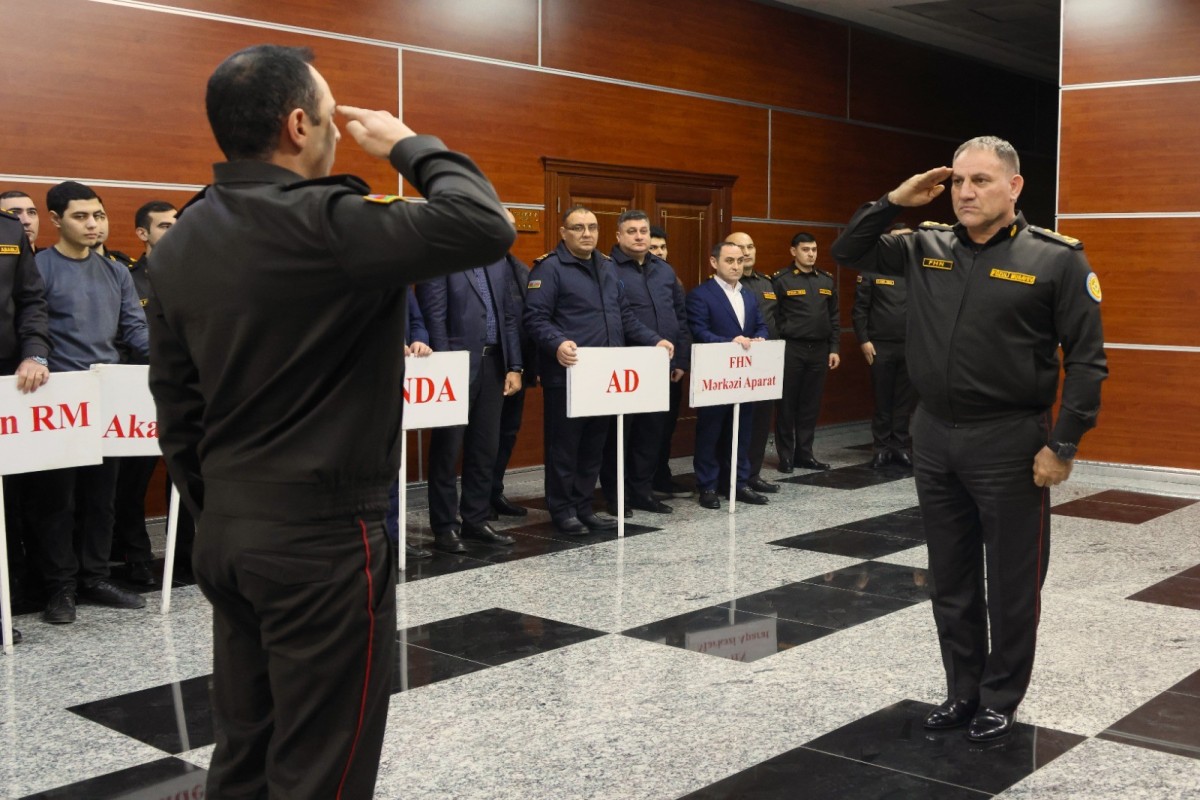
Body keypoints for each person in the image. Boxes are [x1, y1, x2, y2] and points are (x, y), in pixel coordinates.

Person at [147, 44, 514, 798]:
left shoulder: (183, 237)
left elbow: (175, 401)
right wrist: (409, 145)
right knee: (325, 763)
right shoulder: (329, 224)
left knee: (247, 745)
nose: (342, 130)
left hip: (228, 526)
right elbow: (485, 224)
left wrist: (225, 503)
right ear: (296, 125)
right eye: (330, 113)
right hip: (320, 538)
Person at [830, 135, 1107, 742]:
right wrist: (893, 200)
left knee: (1012, 580)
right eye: (957, 181)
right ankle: (961, 690)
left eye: (980, 180)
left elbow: (1087, 362)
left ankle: (1000, 697)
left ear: (1014, 187)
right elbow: (848, 250)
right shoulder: (923, 245)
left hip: (1010, 440)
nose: (965, 192)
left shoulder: (1056, 259)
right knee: (950, 576)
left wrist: (1063, 444)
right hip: (933, 435)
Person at [30, 180, 149, 624]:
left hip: (106, 396)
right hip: (56, 399)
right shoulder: (39, 266)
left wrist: (170, 359)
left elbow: (134, 330)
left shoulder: (117, 270)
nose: (93, 224)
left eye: (98, 215)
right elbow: (32, 323)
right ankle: (59, 588)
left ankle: (95, 577)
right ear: (57, 220)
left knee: (103, 497)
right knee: (58, 500)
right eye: (81, 216)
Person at [524, 206, 674, 535]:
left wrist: (655, 340)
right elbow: (535, 318)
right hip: (568, 373)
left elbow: (625, 317)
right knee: (565, 447)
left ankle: (583, 505)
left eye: (592, 227)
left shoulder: (606, 268)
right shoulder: (550, 269)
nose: (587, 233)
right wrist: (557, 342)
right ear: (564, 233)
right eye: (578, 228)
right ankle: (561, 509)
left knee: (594, 446)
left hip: (604, 376)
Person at [415, 238, 522, 552]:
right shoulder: (440, 258)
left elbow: (509, 318)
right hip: (454, 367)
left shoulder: (496, 260)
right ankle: (445, 527)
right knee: (447, 450)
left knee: (485, 448)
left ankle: (475, 519)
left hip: (494, 365)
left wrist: (515, 365)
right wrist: (446, 368)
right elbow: (433, 316)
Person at [599, 210, 688, 516]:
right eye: (632, 231)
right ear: (618, 236)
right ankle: (617, 495)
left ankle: (641, 491)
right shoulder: (606, 270)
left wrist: (681, 359)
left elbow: (680, 316)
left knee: (651, 433)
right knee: (619, 436)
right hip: (624, 366)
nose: (639, 236)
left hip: (661, 364)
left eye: (644, 231)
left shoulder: (664, 270)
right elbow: (618, 317)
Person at [111, 201, 177, 586]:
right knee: (132, 483)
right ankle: (137, 559)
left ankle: (187, 555)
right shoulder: (128, 278)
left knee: (187, 478)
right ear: (142, 234)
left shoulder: (197, 276)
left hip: (188, 391)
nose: (175, 231)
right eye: (166, 225)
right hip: (139, 391)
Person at [0, 205, 52, 644]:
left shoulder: (7, 229)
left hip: (7, 380)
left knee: (7, 501)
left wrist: (34, 352)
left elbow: (31, 300)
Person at [686, 242, 770, 510]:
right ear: (714, 263)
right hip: (715, 376)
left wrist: (760, 339)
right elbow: (699, 331)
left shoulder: (747, 294)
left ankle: (738, 482)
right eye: (730, 261)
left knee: (741, 428)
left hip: (744, 375)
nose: (736, 266)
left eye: (740, 261)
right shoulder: (701, 295)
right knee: (711, 431)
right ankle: (708, 485)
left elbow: (761, 325)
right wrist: (730, 341)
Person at [772, 232, 840, 472]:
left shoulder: (826, 280)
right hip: (792, 348)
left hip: (819, 350)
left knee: (810, 405)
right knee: (787, 405)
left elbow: (833, 316)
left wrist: (834, 348)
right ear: (794, 251)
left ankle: (805, 453)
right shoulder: (781, 280)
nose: (811, 254)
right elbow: (774, 317)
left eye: (814, 249)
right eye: (805, 249)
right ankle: (786, 456)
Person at [851, 221, 916, 469]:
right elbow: (860, 309)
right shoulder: (872, 269)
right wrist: (864, 340)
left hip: (910, 345)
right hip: (879, 345)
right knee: (882, 399)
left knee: (903, 401)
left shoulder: (918, 271)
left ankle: (900, 447)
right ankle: (880, 448)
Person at [488, 216, 537, 520]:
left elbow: (529, 323)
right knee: (482, 437)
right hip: (485, 366)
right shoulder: (469, 265)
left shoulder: (521, 269)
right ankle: (477, 499)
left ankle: (495, 492)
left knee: (507, 433)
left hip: (517, 368)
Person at [727, 231, 780, 494]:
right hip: (735, 365)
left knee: (761, 421)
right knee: (737, 423)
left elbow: (775, 320)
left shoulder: (767, 283)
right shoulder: (727, 285)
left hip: (764, 363)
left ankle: (753, 474)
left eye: (750, 246)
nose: (746, 252)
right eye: (740, 247)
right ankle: (734, 477)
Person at [648, 224, 692, 498]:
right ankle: (641, 481)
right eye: (654, 247)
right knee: (646, 429)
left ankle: (661, 476)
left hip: (672, 367)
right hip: (643, 366)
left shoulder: (672, 279)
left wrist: (682, 362)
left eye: (662, 247)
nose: (659, 252)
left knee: (666, 427)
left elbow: (682, 324)